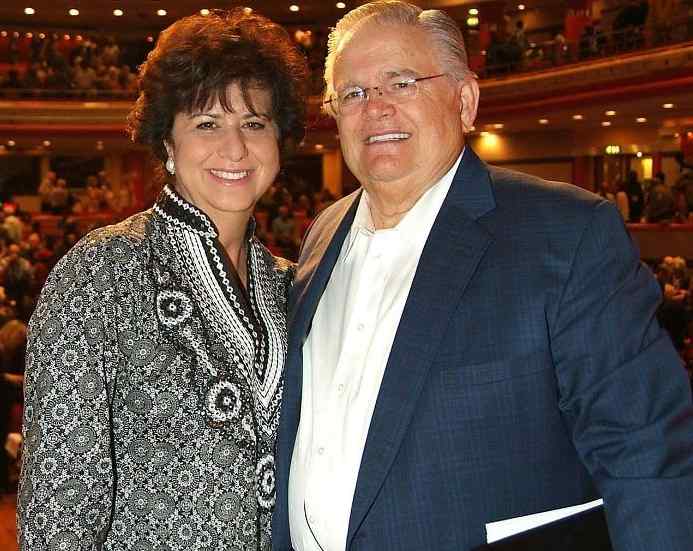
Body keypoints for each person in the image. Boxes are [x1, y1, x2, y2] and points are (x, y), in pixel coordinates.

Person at [272, 2, 693, 551]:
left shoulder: (567, 234)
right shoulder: (323, 232)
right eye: (352, 93)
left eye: (401, 83)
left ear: (465, 100)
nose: (374, 109)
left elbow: (646, 453)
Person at [19, 8, 307, 551]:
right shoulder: (99, 273)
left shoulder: (291, 284)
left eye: (254, 123)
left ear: (278, 142)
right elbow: (58, 507)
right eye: (206, 123)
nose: (235, 147)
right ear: (168, 145)